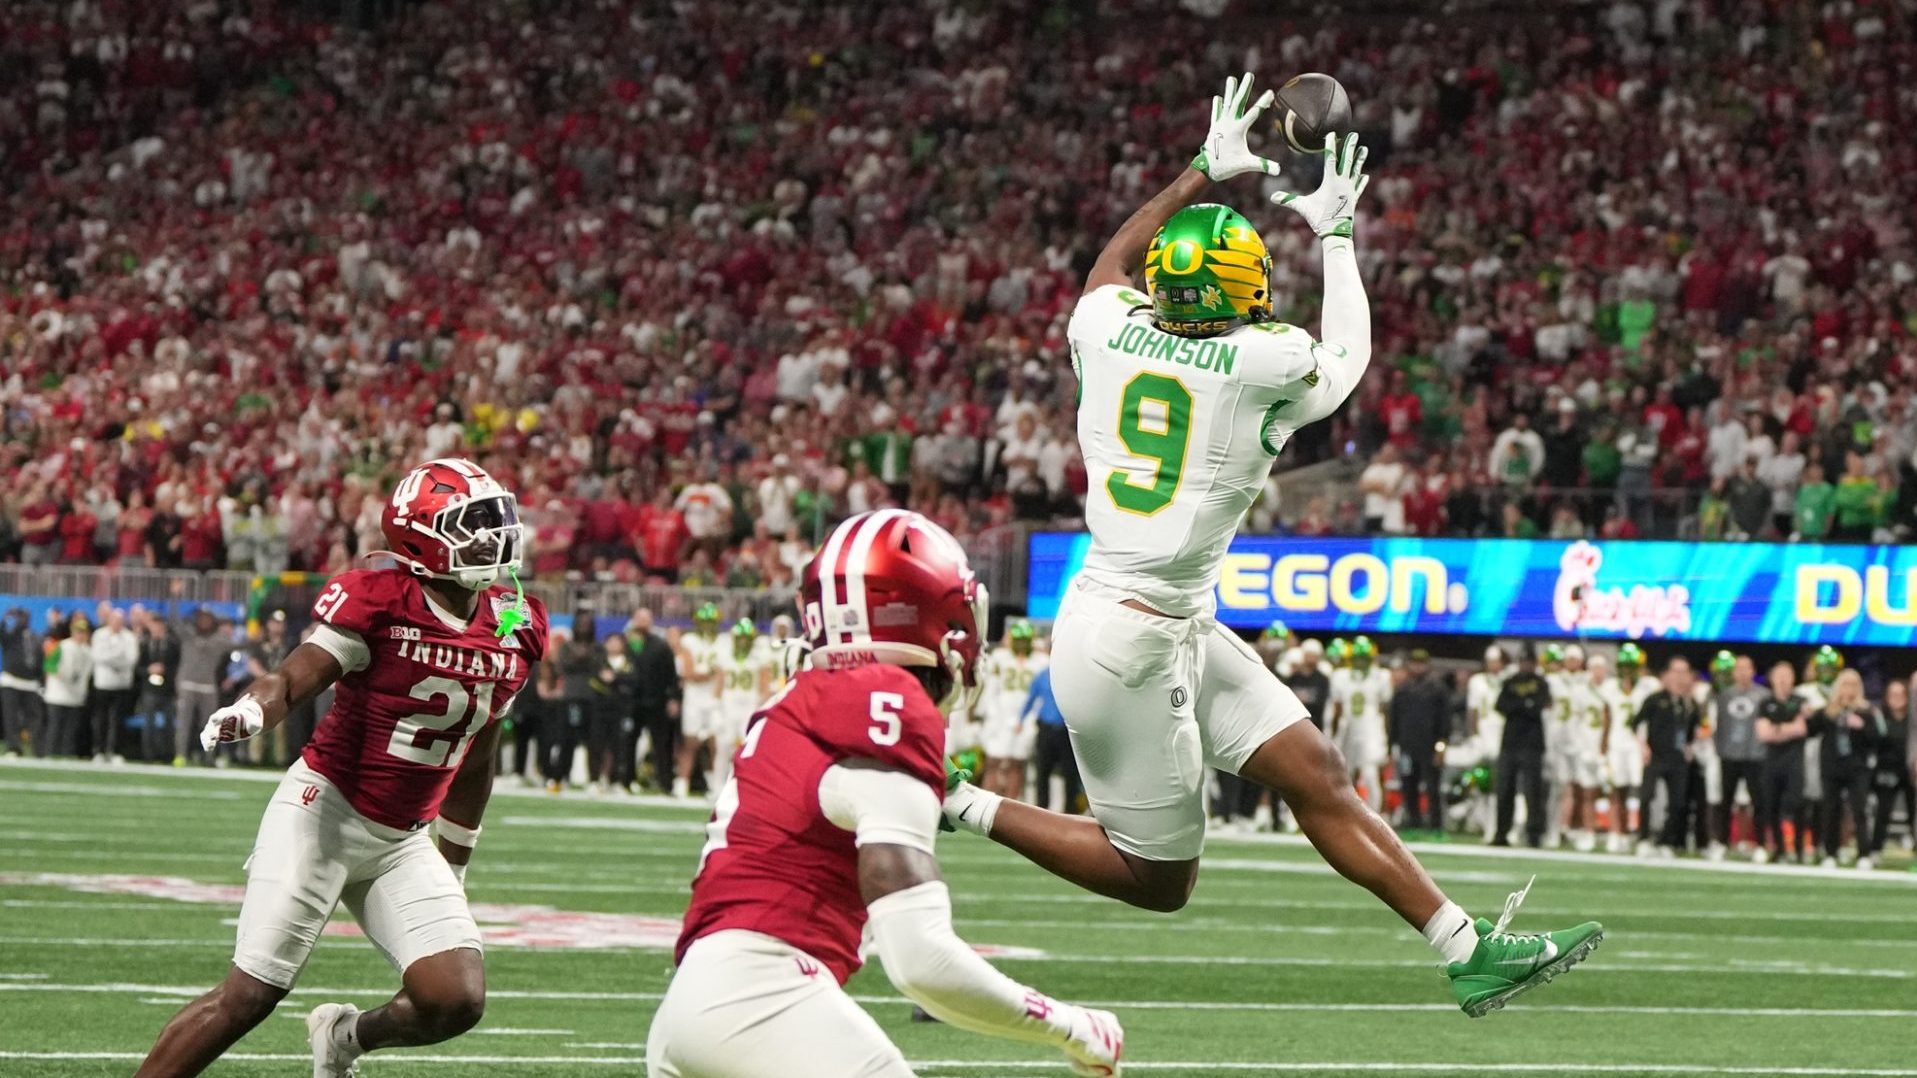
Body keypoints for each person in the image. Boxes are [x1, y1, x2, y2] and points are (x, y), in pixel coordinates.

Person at [943, 77, 1600, 1021]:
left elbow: (1102, 272)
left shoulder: (1108, 327)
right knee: (1155, 879)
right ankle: (955, 800)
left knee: (1313, 771)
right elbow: (1350, 357)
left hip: (1149, 613)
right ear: (1240, 290)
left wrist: (1199, 172)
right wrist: (1333, 235)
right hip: (1129, 637)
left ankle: (1467, 950)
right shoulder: (1262, 364)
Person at [647, 510, 1122, 1077]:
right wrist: (1071, 1026)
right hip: (764, 999)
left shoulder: (806, 695)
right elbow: (920, 961)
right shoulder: (888, 702)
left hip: (694, 1003)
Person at [135, 457, 549, 1078]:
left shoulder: (516, 623)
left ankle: (343, 1037)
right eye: (474, 522)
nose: (494, 535)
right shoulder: (377, 598)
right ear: (423, 538)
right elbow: (294, 676)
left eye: (496, 519)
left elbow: (478, 750)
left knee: (454, 999)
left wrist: (455, 859)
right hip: (324, 813)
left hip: (404, 839)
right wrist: (251, 711)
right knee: (249, 996)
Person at [1631, 657, 1703, 856]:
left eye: (1684, 672)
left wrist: (1690, 746)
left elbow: (1695, 729)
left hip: (1678, 759)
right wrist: (1643, 746)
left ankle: (1666, 841)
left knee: (1677, 802)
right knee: (1647, 796)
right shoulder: (1655, 699)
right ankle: (1644, 838)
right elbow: (1636, 723)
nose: (1680, 677)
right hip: (1656, 756)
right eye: (1676, 672)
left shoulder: (1689, 703)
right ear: (1667, 675)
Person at [1808, 669, 1880, 870]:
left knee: (1859, 810)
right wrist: (1811, 714)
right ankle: (1830, 851)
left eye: (1852, 685)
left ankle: (1864, 853)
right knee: (1830, 810)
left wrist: (1862, 726)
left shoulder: (1867, 711)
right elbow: (1811, 730)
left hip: (1857, 768)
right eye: (1845, 684)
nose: (1848, 689)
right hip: (1832, 767)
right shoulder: (1828, 711)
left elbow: (1877, 739)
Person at [1599, 644, 1658, 853]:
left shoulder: (1649, 686)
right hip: (1617, 743)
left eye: (1631, 666)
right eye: (1624, 666)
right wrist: (1603, 746)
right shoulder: (1609, 687)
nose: (1627, 670)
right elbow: (1606, 718)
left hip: (1639, 745)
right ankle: (1617, 832)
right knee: (1616, 790)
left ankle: (1641, 833)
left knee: (1643, 792)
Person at [980, 620, 1047, 801]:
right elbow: (991, 688)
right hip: (1000, 715)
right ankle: (984, 804)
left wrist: (1031, 719)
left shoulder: (1040, 661)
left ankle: (1009, 806)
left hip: (1025, 718)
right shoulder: (1000, 657)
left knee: (1016, 764)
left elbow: (1041, 695)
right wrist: (991, 714)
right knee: (993, 762)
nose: (1021, 644)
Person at [1710, 653, 1768, 856]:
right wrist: (1719, 749)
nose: (1743, 673)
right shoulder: (1724, 695)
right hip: (1729, 754)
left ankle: (1760, 844)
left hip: (1755, 755)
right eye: (1739, 668)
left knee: (1758, 801)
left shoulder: (1763, 695)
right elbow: (1717, 724)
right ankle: (1721, 842)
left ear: (1753, 671)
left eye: (1747, 668)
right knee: (1725, 801)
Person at [1493, 647, 1552, 849]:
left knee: (1533, 792)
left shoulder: (1541, 683)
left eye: (1528, 661)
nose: (1525, 665)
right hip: (1510, 743)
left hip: (1532, 745)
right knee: (1504, 790)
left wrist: (1520, 706)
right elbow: (1501, 706)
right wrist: (1524, 705)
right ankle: (1501, 832)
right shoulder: (1510, 682)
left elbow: (1539, 705)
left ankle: (1534, 834)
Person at [1389, 649, 1451, 837]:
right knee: (1409, 786)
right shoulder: (1403, 689)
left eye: (1421, 663)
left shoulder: (1437, 689)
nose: (1418, 667)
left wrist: (1441, 746)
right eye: (1414, 663)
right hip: (1408, 745)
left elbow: (1444, 720)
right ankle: (1413, 823)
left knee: (1433, 786)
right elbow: (1394, 719)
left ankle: (1436, 826)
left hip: (1430, 745)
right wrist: (1392, 744)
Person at [1754, 661, 1811, 864]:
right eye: (1779, 676)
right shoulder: (1765, 703)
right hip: (1772, 762)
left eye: (1787, 676)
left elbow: (1802, 728)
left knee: (1796, 804)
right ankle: (1778, 850)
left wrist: (1777, 729)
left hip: (1794, 761)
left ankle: (1798, 849)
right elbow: (1763, 733)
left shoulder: (1800, 701)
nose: (1783, 680)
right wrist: (1789, 729)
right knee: (1771, 805)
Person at [1329, 636, 1391, 811]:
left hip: (1371, 729)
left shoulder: (1381, 676)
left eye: (1365, 658)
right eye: (1358, 657)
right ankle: (1345, 813)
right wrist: (1333, 736)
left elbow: (1384, 710)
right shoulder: (1340, 676)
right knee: (1345, 774)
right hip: (1348, 729)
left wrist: (1387, 735)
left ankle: (1376, 815)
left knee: (1371, 774)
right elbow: (1338, 709)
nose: (1361, 662)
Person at [712, 619, 772, 796]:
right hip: (728, 706)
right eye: (740, 637)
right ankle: (717, 787)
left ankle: (743, 788)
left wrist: (760, 708)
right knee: (723, 747)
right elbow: (719, 684)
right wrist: (716, 709)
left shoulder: (759, 656)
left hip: (748, 706)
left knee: (748, 749)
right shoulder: (725, 655)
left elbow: (765, 687)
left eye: (746, 638)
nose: (743, 641)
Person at [674, 603, 726, 799]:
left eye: (710, 622)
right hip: (694, 698)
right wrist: (707, 674)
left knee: (716, 744)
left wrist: (716, 696)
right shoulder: (689, 640)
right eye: (704, 622)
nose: (707, 626)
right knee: (690, 742)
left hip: (714, 699)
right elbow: (687, 672)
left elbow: (722, 673)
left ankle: (715, 783)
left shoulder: (723, 641)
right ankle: (682, 783)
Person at [626, 609, 681, 794]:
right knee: (628, 742)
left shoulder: (660, 645)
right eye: (639, 619)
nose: (642, 623)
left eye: (645, 619)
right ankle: (627, 780)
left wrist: (673, 697)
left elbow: (671, 674)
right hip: (631, 701)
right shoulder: (626, 643)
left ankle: (666, 783)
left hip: (656, 701)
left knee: (661, 744)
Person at [1024, 664, 1083, 815]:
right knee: (1042, 770)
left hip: (1066, 729)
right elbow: (1031, 697)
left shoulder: (1072, 677)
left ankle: (1071, 811)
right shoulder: (1043, 675)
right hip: (1046, 728)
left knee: (1070, 772)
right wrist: (1021, 718)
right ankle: (1041, 811)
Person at [174, 608, 229, 766]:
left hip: (208, 687)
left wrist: (254, 637)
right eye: (201, 618)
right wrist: (174, 597)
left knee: (210, 725)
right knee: (184, 723)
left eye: (207, 619)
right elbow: (173, 620)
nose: (204, 622)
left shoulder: (219, 639)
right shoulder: (188, 634)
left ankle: (209, 757)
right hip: (187, 684)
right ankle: (180, 755)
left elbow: (240, 645)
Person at [1868, 679, 1913, 860]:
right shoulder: (1880, 718)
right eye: (1892, 694)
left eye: (1901, 694)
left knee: (1914, 812)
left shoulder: (1913, 719)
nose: (1897, 698)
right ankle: (1875, 851)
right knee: (1883, 811)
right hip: (1887, 770)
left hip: (1910, 770)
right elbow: (1874, 743)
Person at [43, 613, 94, 757]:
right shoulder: (62, 646)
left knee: (71, 729)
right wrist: (58, 674)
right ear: (72, 632)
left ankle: (67, 755)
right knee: (55, 726)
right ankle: (50, 753)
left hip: (76, 696)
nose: (81, 635)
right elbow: (49, 664)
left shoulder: (88, 652)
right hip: (58, 694)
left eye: (84, 632)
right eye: (78, 632)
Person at [0, 607, 45, 756]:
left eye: (25, 617)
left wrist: (40, 682)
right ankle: (14, 748)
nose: (24, 620)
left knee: (35, 718)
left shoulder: (35, 637)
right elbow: (2, 635)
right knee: (10, 716)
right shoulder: (11, 635)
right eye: (22, 617)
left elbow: (39, 659)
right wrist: (7, 618)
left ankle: (38, 749)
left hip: (30, 684)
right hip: (11, 681)